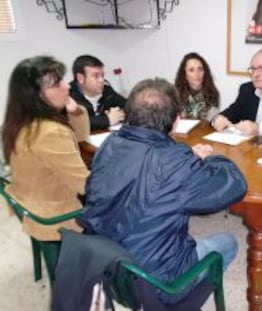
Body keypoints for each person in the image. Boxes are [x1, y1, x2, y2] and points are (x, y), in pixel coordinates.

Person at [80, 78, 247, 303]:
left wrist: (187, 157)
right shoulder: (175, 161)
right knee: (228, 242)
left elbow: (146, 167)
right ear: (176, 121)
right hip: (154, 285)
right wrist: (212, 158)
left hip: (104, 267)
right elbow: (235, 185)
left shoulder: (111, 142)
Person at [2, 55, 90, 241]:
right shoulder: (50, 132)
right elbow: (84, 185)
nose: (67, 86)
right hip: (55, 216)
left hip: (33, 202)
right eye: (57, 84)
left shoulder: (19, 122)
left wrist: (74, 110)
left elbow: (81, 136)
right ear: (36, 96)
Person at [69, 54, 126, 131]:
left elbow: (129, 106)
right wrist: (107, 120)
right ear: (80, 78)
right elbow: (75, 124)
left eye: (102, 75)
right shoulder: (68, 95)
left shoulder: (107, 90)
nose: (101, 80)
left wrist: (120, 114)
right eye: (96, 76)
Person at [174, 52, 220, 122]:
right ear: (184, 74)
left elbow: (212, 123)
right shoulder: (175, 95)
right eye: (191, 70)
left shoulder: (212, 93)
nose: (197, 74)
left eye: (200, 69)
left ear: (205, 72)